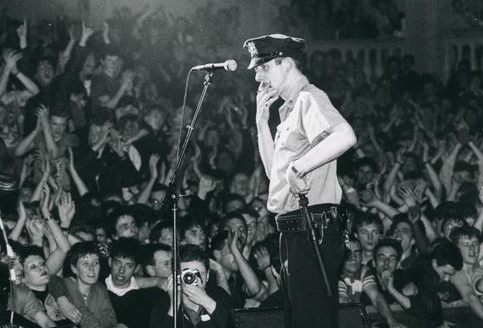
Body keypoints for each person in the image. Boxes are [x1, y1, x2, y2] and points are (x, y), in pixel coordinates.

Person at [244, 33, 357, 328]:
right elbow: (275, 176)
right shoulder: (288, 109)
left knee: (312, 321)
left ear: (286, 63)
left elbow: (345, 136)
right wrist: (261, 122)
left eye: (263, 67)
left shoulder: (309, 98)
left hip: (312, 228)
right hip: (295, 230)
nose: (258, 76)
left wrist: (300, 167)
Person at [153, 245, 234, 328]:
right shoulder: (163, 305)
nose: (193, 279)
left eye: (199, 273)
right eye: (188, 275)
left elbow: (237, 324)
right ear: (176, 276)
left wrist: (208, 303)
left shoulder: (220, 296)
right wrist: (174, 306)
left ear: (208, 275)